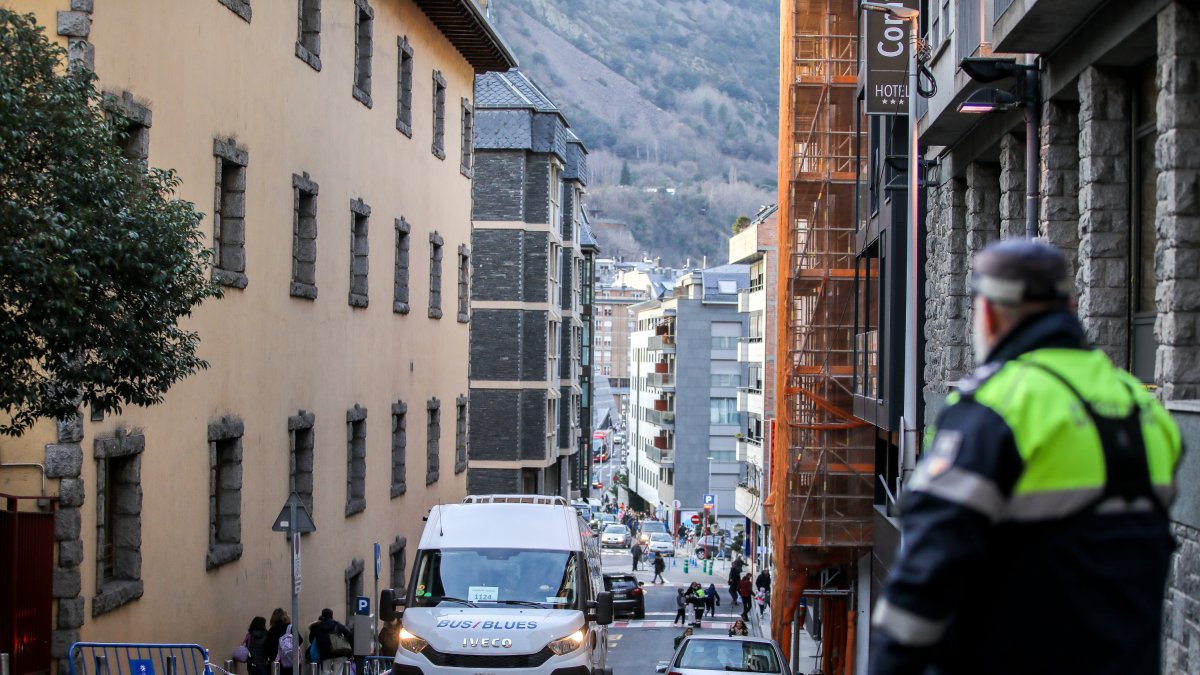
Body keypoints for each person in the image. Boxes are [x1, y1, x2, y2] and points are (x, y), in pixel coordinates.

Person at [869, 240, 1182, 675]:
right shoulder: (1143, 410)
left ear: (990, 315)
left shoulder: (997, 408)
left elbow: (923, 580)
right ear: (1070, 306)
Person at [308, 608, 353, 675]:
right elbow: (349, 635)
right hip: (339, 652)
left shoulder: (318, 627)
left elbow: (312, 639)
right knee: (338, 673)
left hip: (325, 654)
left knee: (326, 672)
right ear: (332, 615)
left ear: (322, 615)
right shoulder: (337, 624)